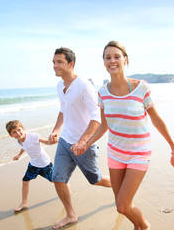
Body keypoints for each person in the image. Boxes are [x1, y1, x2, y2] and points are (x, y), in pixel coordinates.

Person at [73, 41, 174, 230]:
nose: (112, 61)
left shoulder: (141, 87)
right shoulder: (103, 93)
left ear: (125, 59)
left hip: (139, 153)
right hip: (115, 153)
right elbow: (103, 126)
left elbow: (156, 120)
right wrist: (86, 143)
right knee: (121, 206)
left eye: (116, 56)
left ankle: (144, 226)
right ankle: (137, 226)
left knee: (122, 205)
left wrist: (173, 147)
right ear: (104, 62)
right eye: (108, 57)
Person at [49, 47, 112, 229]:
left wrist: (83, 141)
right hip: (65, 141)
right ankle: (71, 215)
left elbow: (96, 117)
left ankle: (120, 187)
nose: (55, 66)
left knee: (96, 180)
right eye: (53, 62)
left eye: (59, 62)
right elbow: (63, 110)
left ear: (71, 64)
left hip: (85, 144)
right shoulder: (60, 86)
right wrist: (56, 130)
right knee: (57, 178)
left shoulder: (84, 85)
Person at [6, 120, 54, 212]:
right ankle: (24, 203)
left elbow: (46, 142)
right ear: (11, 135)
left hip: (45, 164)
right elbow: (24, 147)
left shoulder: (33, 136)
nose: (18, 133)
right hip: (34, 164)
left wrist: (51, 141)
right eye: (14, 132)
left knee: (55, 181)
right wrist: (19, 155)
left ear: (23, 129)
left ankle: (65, 185)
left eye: (19, 130)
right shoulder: (19, 141)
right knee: (25, 181)